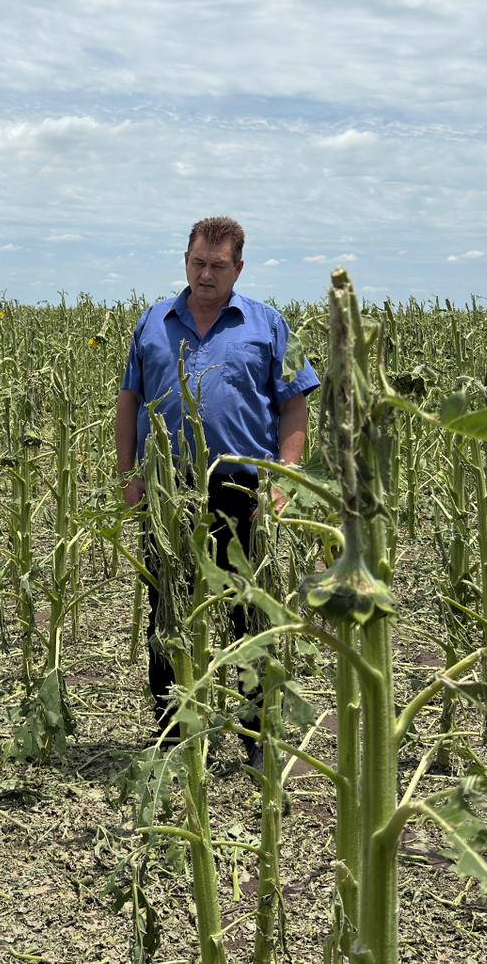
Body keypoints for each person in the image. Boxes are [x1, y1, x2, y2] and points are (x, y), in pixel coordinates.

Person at [116, 217, 320, 760]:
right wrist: (130, 473)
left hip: (244, 486)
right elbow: (130, 400)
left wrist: (283, 480)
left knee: (247, 610)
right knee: (169, 608)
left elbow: (295, 402)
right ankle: (172, 734)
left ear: (239, 268)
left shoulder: (269, 324)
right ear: (185, 259)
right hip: (169, 486)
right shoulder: (153, 322)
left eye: (218, 265)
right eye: (197, 262)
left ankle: (255, 735)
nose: (206, 274)